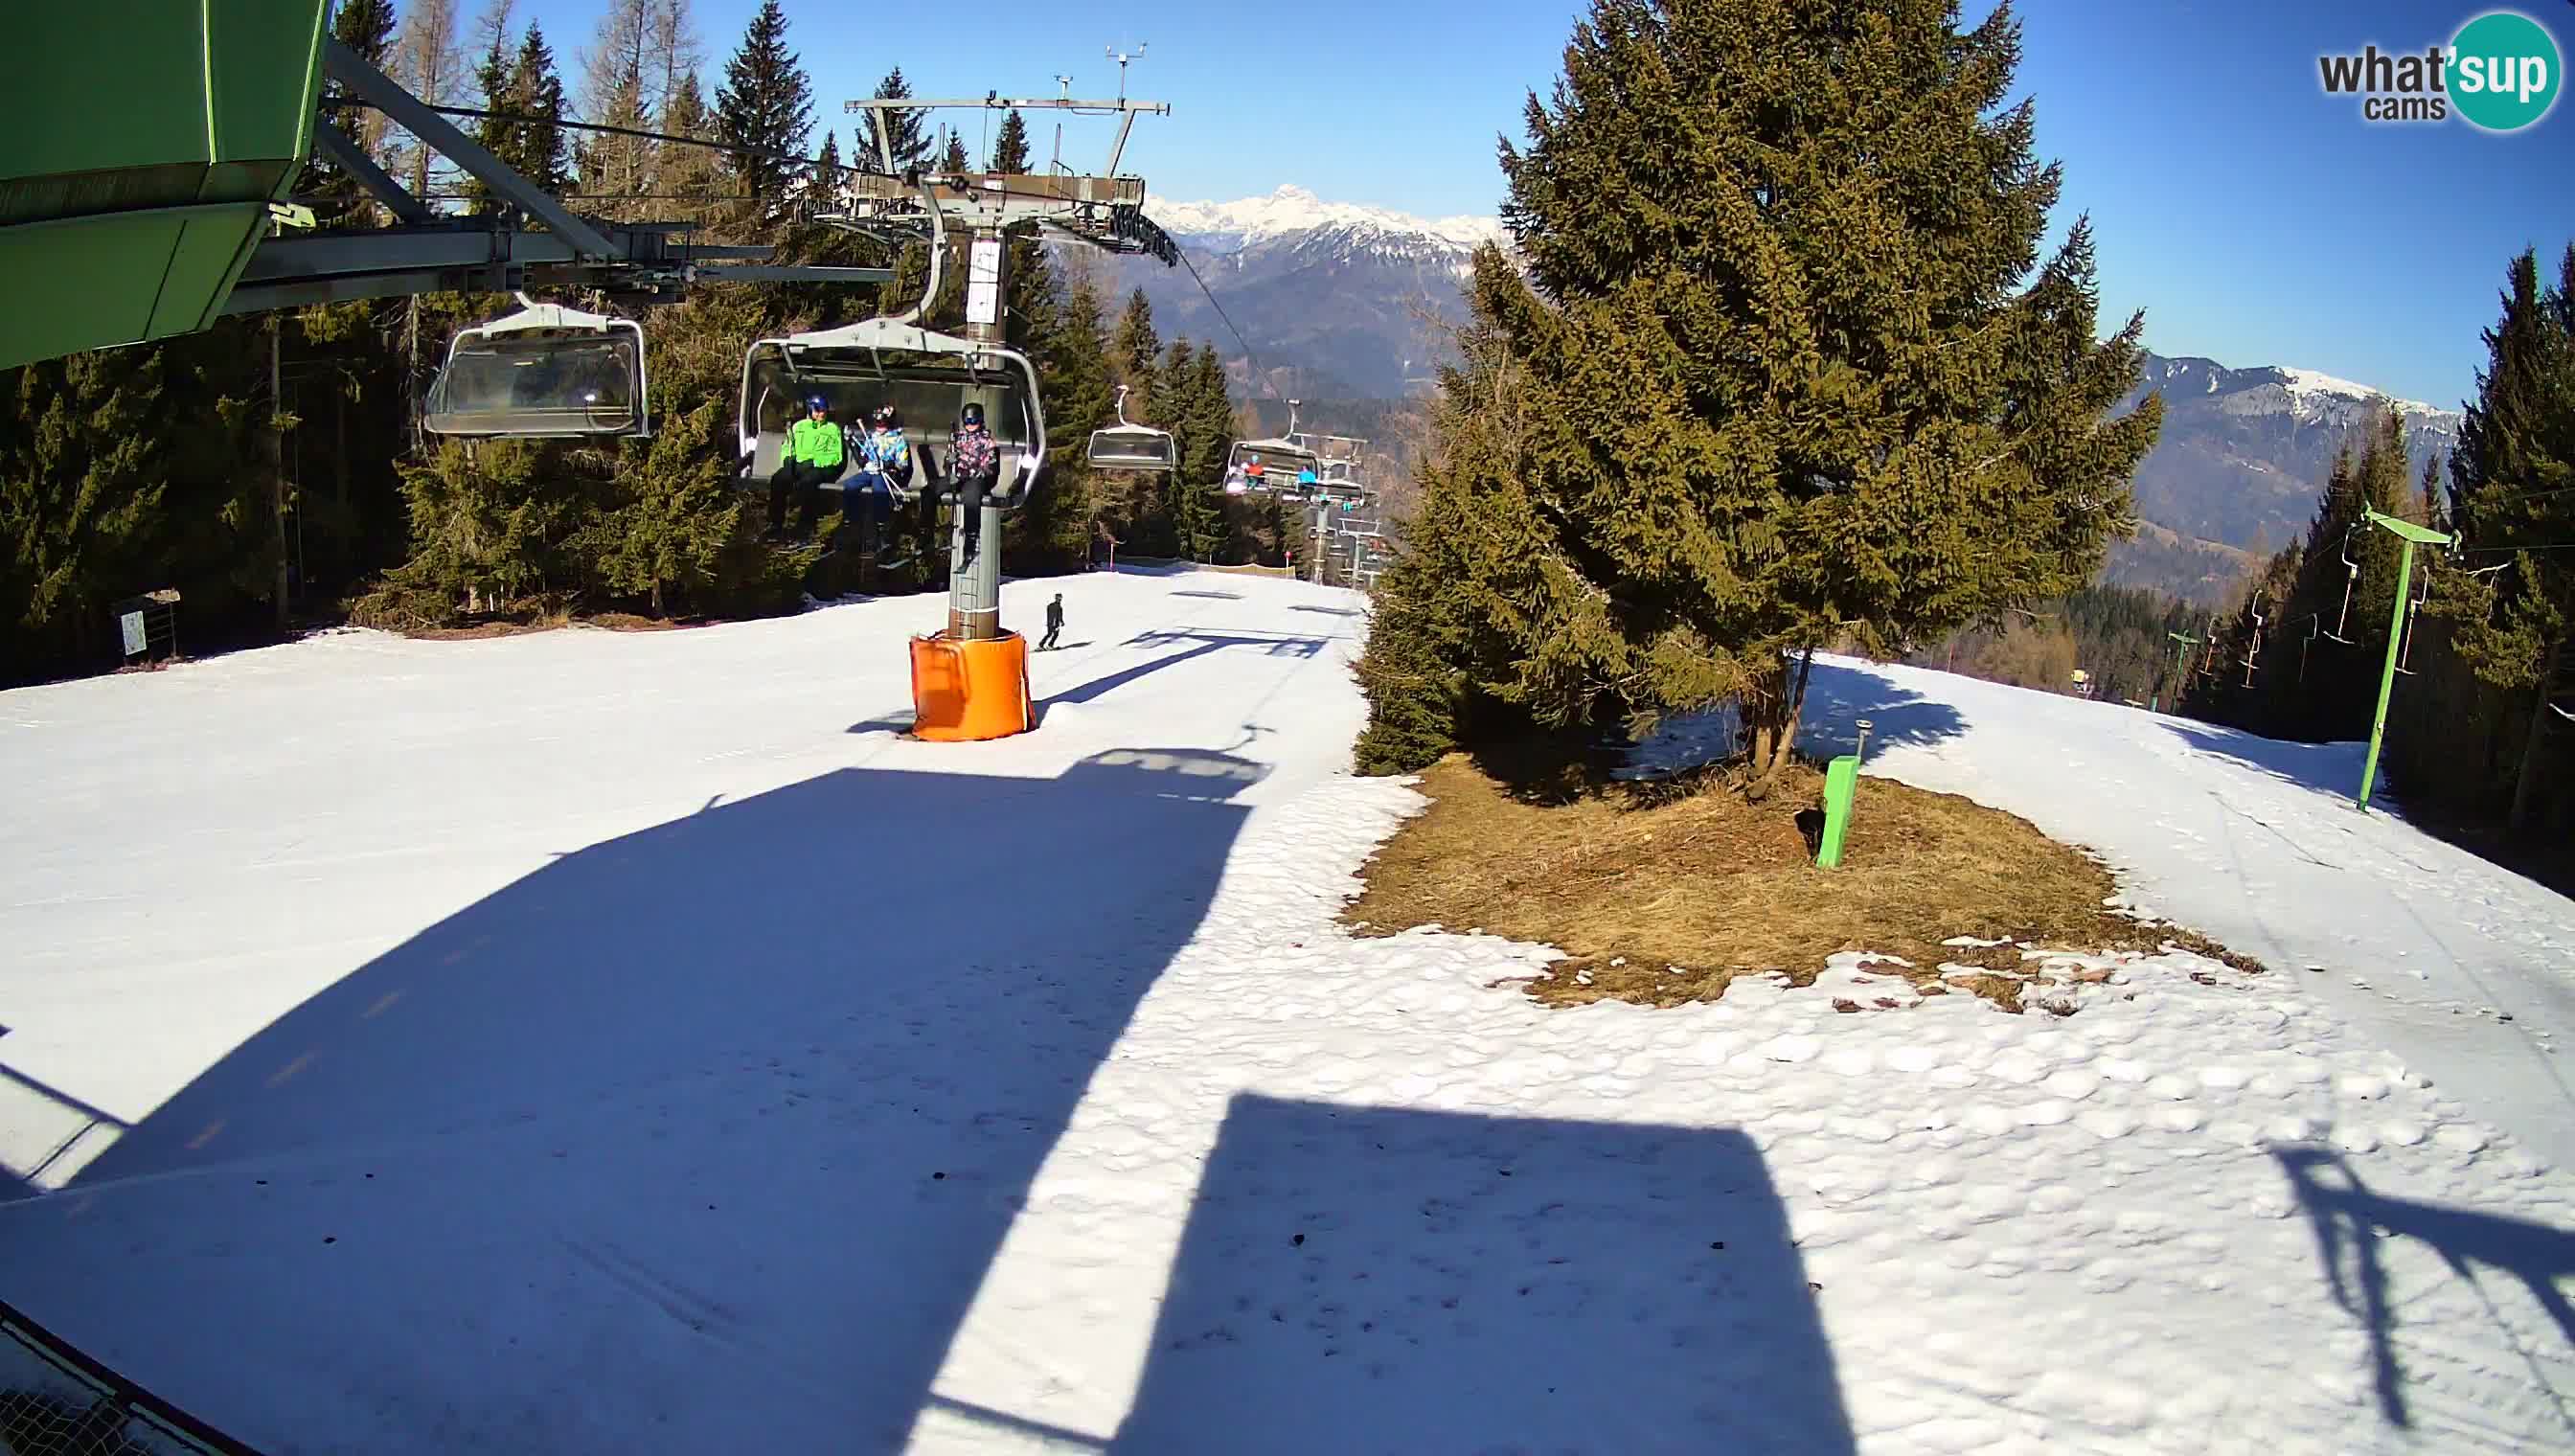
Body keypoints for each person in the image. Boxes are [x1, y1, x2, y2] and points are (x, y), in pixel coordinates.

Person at [766, 396, 845, 540]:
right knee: (779, 479)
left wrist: (816, 462)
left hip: (821, 466)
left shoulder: (832, 429)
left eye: (824, 411)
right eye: (818, 410)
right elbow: (788, 446)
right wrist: (788, 461)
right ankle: (775, 524)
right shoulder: (799, 426)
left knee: (808, 483)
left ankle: (805, 526)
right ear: (811, 410)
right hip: (799, 463)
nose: (822, 414)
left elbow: (837, 455)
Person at [840, 404, 912, 558]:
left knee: (879, 491)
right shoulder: (871, 437)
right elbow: (863, 459)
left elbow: (903, 464)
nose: (880, 426)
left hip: (886, 473)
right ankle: (850, 522)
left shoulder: (899, 440)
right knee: (849, 485)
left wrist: (889, 464)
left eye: (883, 423)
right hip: (870, 471)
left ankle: (882, 533)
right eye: (878, 423)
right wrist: (851, 443)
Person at [948, 401, 1001, 565]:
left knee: (970, 497)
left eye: (974, 422)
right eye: (967, 422)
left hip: (976, 479)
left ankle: (971, 539)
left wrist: (971, 473)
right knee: (930, 490)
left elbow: (991, 468)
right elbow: (950, 460)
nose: (970, 426)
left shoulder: (987, 442)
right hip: (958, 477)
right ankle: (925, 533)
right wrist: (949, 463)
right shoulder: (958, 439)